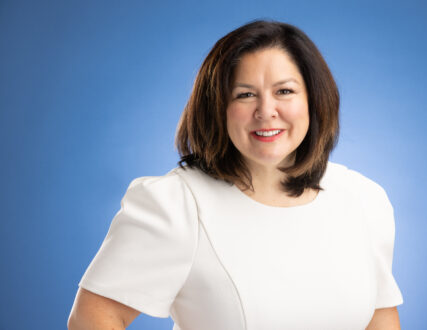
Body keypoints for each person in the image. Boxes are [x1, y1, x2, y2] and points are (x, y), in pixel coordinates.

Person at [68, 19, 404, 330]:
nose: (266, 111)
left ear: (314, 101)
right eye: (245, 94)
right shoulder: (175, 204)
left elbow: (380, 318)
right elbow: (94, 317)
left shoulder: (363, 199)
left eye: (284, 91)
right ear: (217, 108)